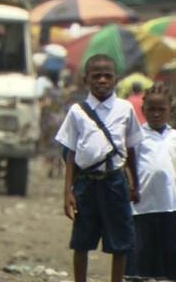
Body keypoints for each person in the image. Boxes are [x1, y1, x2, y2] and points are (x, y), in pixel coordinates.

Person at [55, 53, 143, 282]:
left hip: (115, 181)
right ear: (86, 80)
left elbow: (131, 149)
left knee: (120, 241)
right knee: (82, 240)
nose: (102, 80)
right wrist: (68, 192)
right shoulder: (77, 111)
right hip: (86, 182)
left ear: (116, 79)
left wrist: (136, 183)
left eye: (107, 76)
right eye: (96, 76)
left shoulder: (125, 109)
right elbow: (71, 152)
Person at [125, 82, 176, 281]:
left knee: (172, 250)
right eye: (151, 109)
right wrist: (131, 186)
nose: (156, 114)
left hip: (169, 203)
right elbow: (128, 163)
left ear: (171, 111)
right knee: (142, 251)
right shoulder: (137, 136)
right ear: (143, 110)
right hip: (142, 204)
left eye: (161, 110)